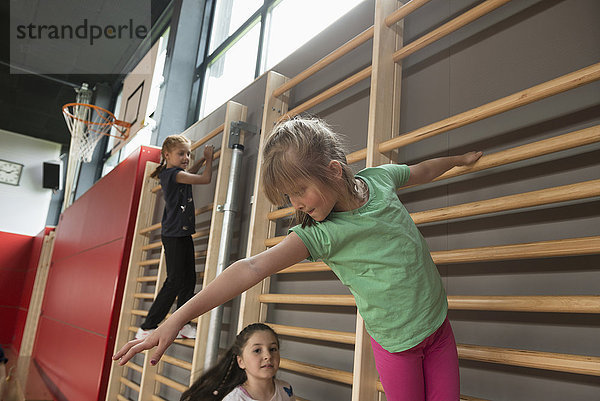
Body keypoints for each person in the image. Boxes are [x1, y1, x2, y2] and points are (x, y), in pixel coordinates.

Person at [114, 117, 482, 401]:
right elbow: (250, 268)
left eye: (299, 191)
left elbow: (422, 170)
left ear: (334, 171)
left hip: (439, 328)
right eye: (289, 197)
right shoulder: (319, 234)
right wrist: (176, 319)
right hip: (397, 346)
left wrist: (459, 159)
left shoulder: (381, 180)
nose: (297, 204)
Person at [135, 134, 215, 340]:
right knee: (175, 280)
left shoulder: (176, 174)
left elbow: (190, 174)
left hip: (181, 232)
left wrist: (199, 161)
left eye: (188, 153)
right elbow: (204, 179)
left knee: (189, 279)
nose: (186, 157)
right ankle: (147, 326)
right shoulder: (173, 174)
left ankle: (181, 324)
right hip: (174, 235)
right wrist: (210, 158)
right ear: (167, 155)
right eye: (181, 154)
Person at [180, 323, 294, 401]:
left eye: (273, 349)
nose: (268, 356)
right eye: (257, 350)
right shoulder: (235, 399)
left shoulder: (285, 389)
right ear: (241, 362)